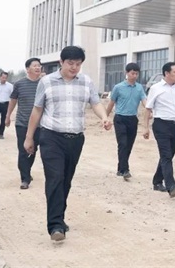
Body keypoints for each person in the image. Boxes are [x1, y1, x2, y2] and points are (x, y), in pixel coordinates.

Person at [24, 46, 111, 242]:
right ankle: (55, 225)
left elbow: (95, 103)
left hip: (75, 139)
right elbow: (37, 110)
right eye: (70, 63)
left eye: (78, 64)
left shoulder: (86, 81)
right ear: (61, 62)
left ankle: (59, 218)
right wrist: (29, 137)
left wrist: (104, 117)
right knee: (55, 178)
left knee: (65, 180)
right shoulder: (46, 82)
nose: (74, 67)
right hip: (51, 137)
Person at [143, 62, 175, 197]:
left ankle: (157, 181)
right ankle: (171, 185)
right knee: (166, 155)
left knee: (169, 155)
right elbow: (148, 109)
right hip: (161, 124)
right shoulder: (156, 88)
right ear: (166, 73)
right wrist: (146, 128)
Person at [5, 58, 42, 189]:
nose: (38, 67)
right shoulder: (19, 84)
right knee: (23, 150)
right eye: (34, 65)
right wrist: (8, 116)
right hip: (22, 123)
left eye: (39, 65)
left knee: (33, 150)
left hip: (39, 124)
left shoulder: (44, 83)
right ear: (27, 69)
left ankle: (27, 171)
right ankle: (25, 179)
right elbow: (13, 100)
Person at [106, 62, 147, 181]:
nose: (134, 76)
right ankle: (125, 170)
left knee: (128, 145)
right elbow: (111, 103)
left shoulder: (139, 88)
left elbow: (144, 101)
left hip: (133, 119)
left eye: (136, 74)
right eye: (132, 73)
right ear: (127, 73)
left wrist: (149, 110)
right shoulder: (118, 87)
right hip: (120, 118)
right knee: (123, 144)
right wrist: (105, 117)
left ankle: (121, 168)